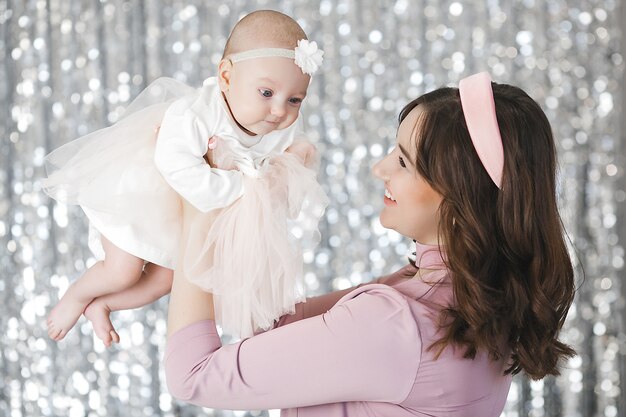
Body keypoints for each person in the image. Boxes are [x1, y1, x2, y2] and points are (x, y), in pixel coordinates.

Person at [163, 72, 576, 416]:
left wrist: (201, 203)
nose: (379, 169)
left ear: (458, 199)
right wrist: (263, 201)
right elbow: (277, 328)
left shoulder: (395, 323)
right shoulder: (471, 293)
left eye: (402, 162)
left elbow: (194, 374)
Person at [42, 10, 328, 346]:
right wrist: (240, 187)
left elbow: (276, 176)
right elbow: (176, 166)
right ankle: (77, 295)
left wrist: (287, 165)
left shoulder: (281, 129)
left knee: (169, 280)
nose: (280, 110)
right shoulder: (196, 114)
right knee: (124, 270)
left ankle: (103, 304)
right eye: (266, 93)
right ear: (226, 76)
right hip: (140, 195)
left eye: (294, 100)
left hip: (183, 217)